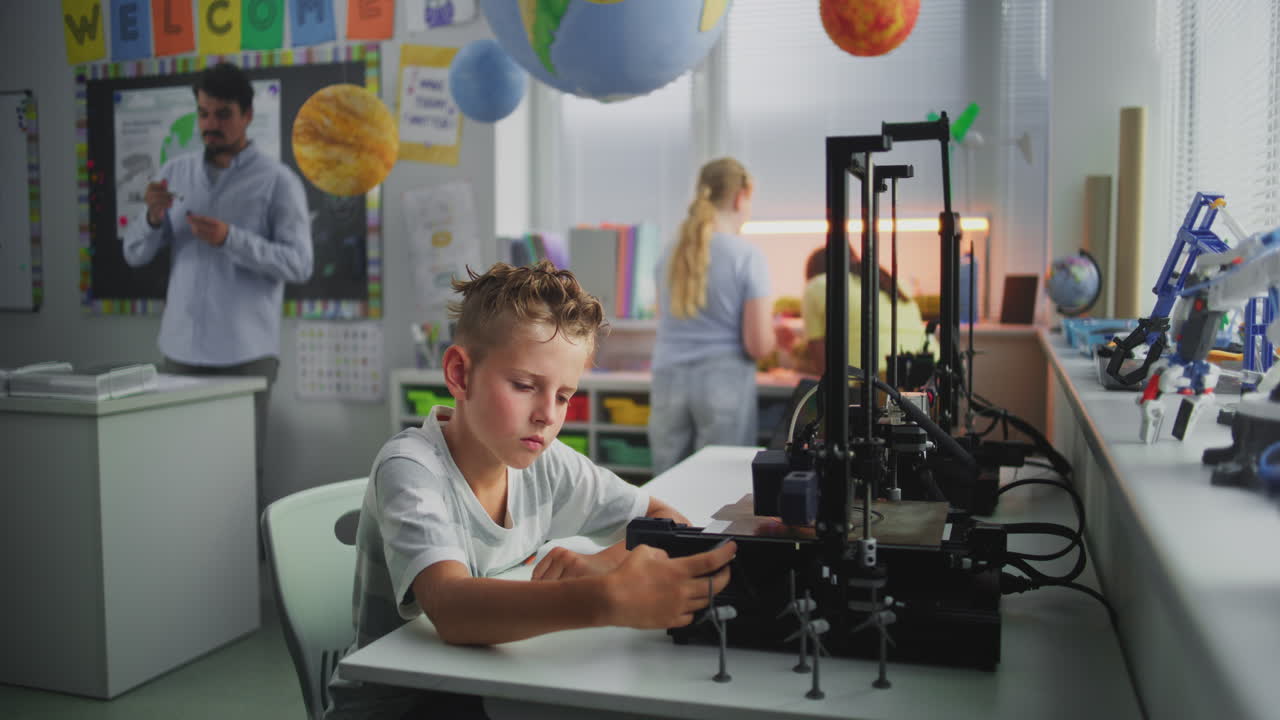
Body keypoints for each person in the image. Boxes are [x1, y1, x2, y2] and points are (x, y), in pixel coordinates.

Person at [326, 261, 736, 719]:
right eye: (524, 386)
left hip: (486, 687)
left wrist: (601, 566)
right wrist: (608, 599)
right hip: (402, 705)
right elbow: (452, 607)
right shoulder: (411, 467)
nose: (547, 415)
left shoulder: (547, 463)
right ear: (461, 375)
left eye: (563, 396)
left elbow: (665, 522)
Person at [122, 62, 313, 510]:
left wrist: (232, 239)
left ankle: (244, 578)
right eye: (204, 113)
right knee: (177, 469)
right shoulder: (175, 173)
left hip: (245, 357)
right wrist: (151, 219)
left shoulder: (277, 181)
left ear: (247, 115)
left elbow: (300, 263)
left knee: (239, 475)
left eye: (222, 114)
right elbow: (135, 253)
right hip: (180, 353)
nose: (211, 125)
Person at [647, 157, 775, 475]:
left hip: (668, 379)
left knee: (667, 481)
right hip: (723, 383)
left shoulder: (670, 253)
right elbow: (758, 345)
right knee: (718, 482)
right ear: (740, 196)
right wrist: (778, 340)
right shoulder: (746, 256)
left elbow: (666, 317)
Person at [797, 244, 932, 379]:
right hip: (929, 367)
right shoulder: (895, 282)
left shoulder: (816, 285)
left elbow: (820, 356)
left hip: (875, 376)